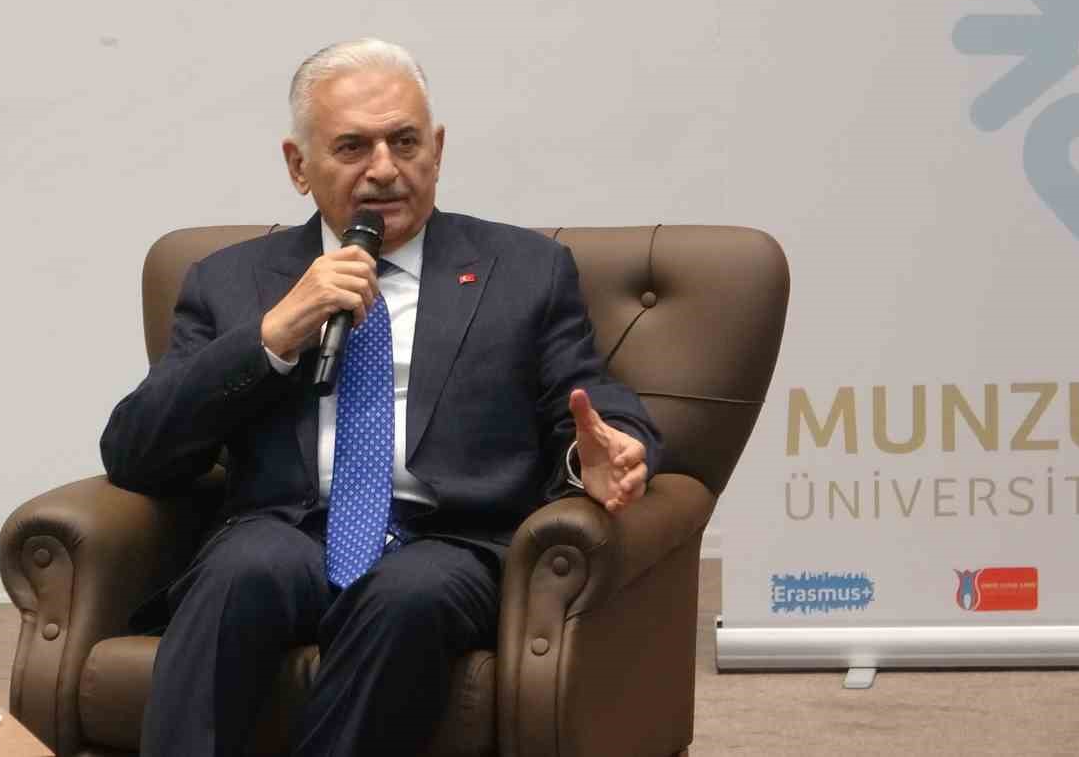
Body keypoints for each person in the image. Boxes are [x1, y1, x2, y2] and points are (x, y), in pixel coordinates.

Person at [100, 38, 662, 756]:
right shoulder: (229, 281)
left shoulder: (525, 270)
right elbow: (135, 453)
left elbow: (591, 399)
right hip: (286, 531)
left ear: (438, 149)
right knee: (241, 568)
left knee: (408, 594)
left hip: (451, 541)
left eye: (405, 142)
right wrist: (272, 335)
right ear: (298, 165)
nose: (385, 169)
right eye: (352, 147)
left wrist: (606, 452)